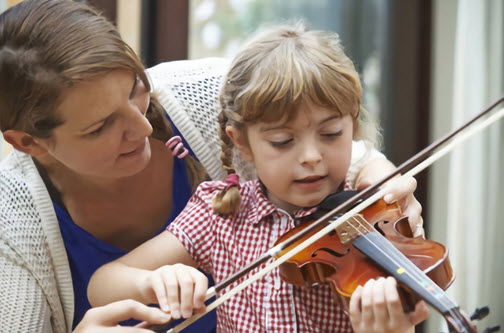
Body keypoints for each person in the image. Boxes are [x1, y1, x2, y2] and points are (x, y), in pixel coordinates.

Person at [0, 1, 423, 332]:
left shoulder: (216, 93)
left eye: (135, 90)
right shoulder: (219, 214)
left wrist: (382, 184)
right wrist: (152, 283)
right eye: (100, 126)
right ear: (30, 143)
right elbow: (105, 282)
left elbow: (329, 133)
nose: (143, 125)